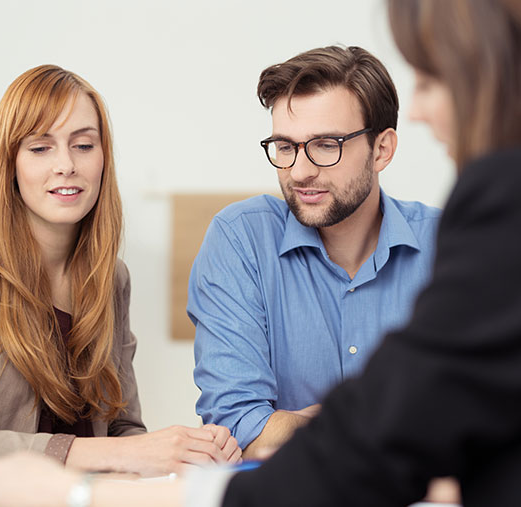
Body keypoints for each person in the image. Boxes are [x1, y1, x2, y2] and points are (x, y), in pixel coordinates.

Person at [0, 0, 521, 505]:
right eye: (285, 146)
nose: (424, 106)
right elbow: (254, 424)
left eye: (435, 75)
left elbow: (380, 435)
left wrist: (81, 494)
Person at [0, 65, 240, 482]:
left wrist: (186, 454)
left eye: (84, 145)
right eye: (40, 148)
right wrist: (124, 452)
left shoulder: (111, 279)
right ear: (10, 163)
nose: (67, 164)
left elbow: (122, 430)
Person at [189, 45, 440, 459]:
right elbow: (238, 428)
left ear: (382, 150)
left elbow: (484, 415)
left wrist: (295, 426)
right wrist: (393, 424)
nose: (300, 171)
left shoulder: (445, 247)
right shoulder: (241, 239)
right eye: (285, 146)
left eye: (326, 144)